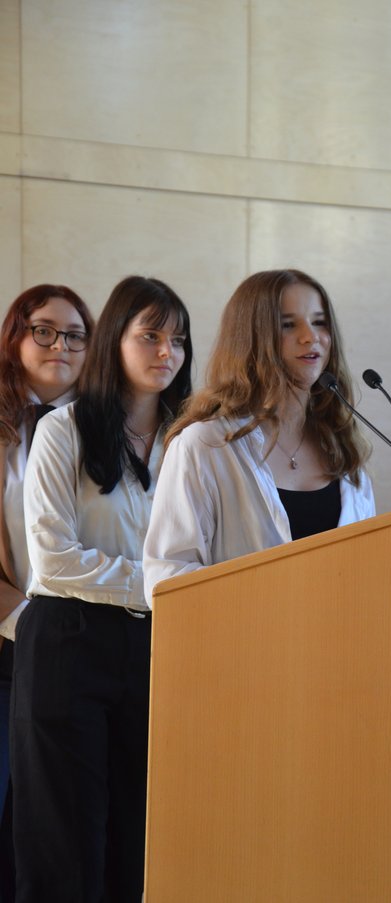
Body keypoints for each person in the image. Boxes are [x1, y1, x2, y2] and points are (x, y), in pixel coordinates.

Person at [11, 276, 192, 903]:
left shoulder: (191, 441)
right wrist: (165, 585)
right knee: (64, 844)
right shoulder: (64, 429)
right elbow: (53, 559)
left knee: (141, 842)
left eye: (179, 340)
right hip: (69, 639)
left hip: (161, 649)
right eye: (151, 336)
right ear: (115, 338)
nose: (167, 352)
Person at [143, 268, 375, 602]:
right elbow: (166, 578)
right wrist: (265, 599)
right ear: (251, 337)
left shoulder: (343, 451)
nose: (310, 337)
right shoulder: (205, 445)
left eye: (319, 322)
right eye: (288, 325)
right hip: (242, 633)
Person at [0, 284, 93, 903]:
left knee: (54, 825)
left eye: (75, 334)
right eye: (44, 330)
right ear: (16, 337)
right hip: (9, 644)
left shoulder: (105, 428)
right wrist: (28, 622)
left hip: (80, 649)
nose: (61, 344)